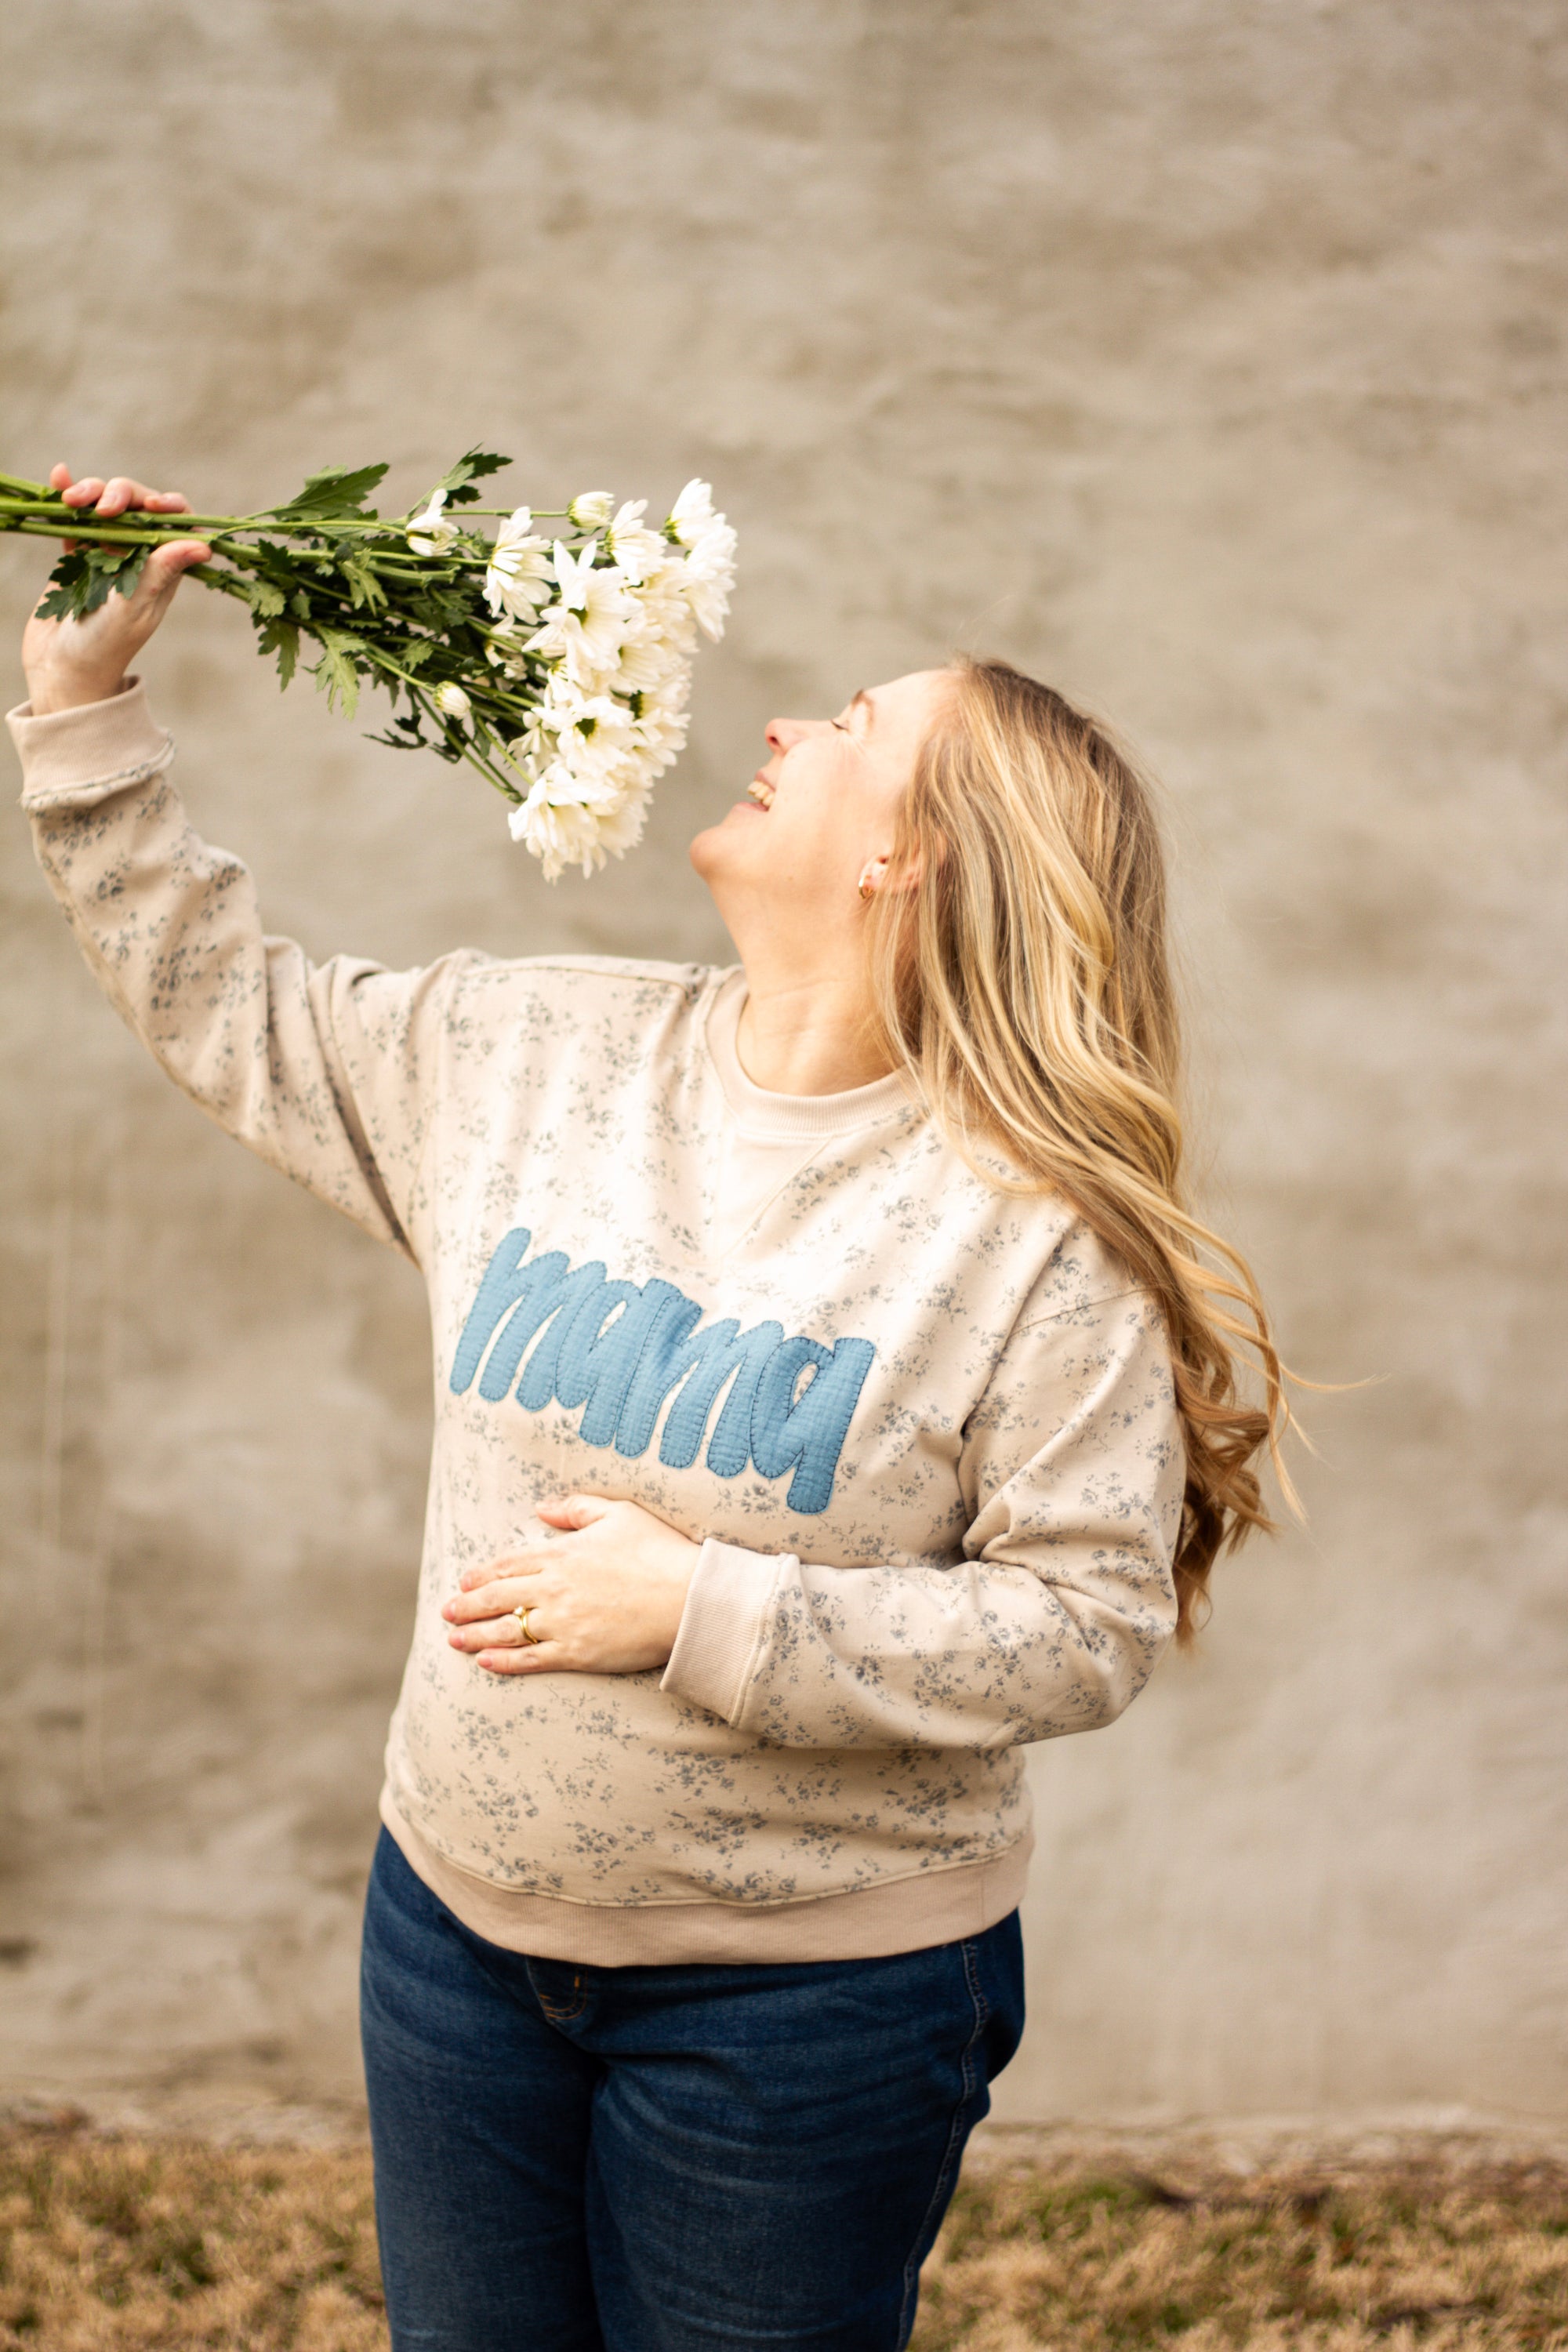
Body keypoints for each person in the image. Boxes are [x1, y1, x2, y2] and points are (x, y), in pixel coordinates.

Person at [12, 467, 1288, 2352]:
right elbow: (238, 1009)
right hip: (451, 1937)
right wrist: (85, 704)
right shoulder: (537, 1051)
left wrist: (705, 1615)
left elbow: (1081, 1624)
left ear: (911, 858)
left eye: (850, 727)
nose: (783, 723)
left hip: (807, 2013)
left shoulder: (1029, 1241)